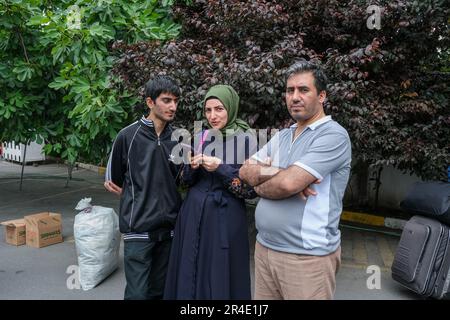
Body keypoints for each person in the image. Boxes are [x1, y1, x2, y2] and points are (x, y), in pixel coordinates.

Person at [239, 60, 352, 300]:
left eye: (303, 90)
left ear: (321, 96)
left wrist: (280, 179)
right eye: (290, 90)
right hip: (264, 250)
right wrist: (284, 174)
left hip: (307, 259)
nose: (295, 96)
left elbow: (287, 184)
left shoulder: (333, 135)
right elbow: (245, 171)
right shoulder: (283, 135)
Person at [164, 84, 256, 300]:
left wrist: (221, 168)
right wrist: (191, 167)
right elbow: (186, 182)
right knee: (190, 270)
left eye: (219, 109)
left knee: (220, 272)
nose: (213, 116)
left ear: (231, 108)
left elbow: (250, 191)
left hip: (225, 218)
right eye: (208, 110)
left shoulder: (247, 140)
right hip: (193, 215)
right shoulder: (201, 136)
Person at [104, 75, 182, 300]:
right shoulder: (127, 136)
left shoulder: (178, 139)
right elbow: (114, 181)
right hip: (138, 230)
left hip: (168, 231)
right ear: (150, 102)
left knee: (160, 292)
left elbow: (180, 180)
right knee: (138, 295)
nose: (173, 106)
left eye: (175, 101)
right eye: (166, 100)